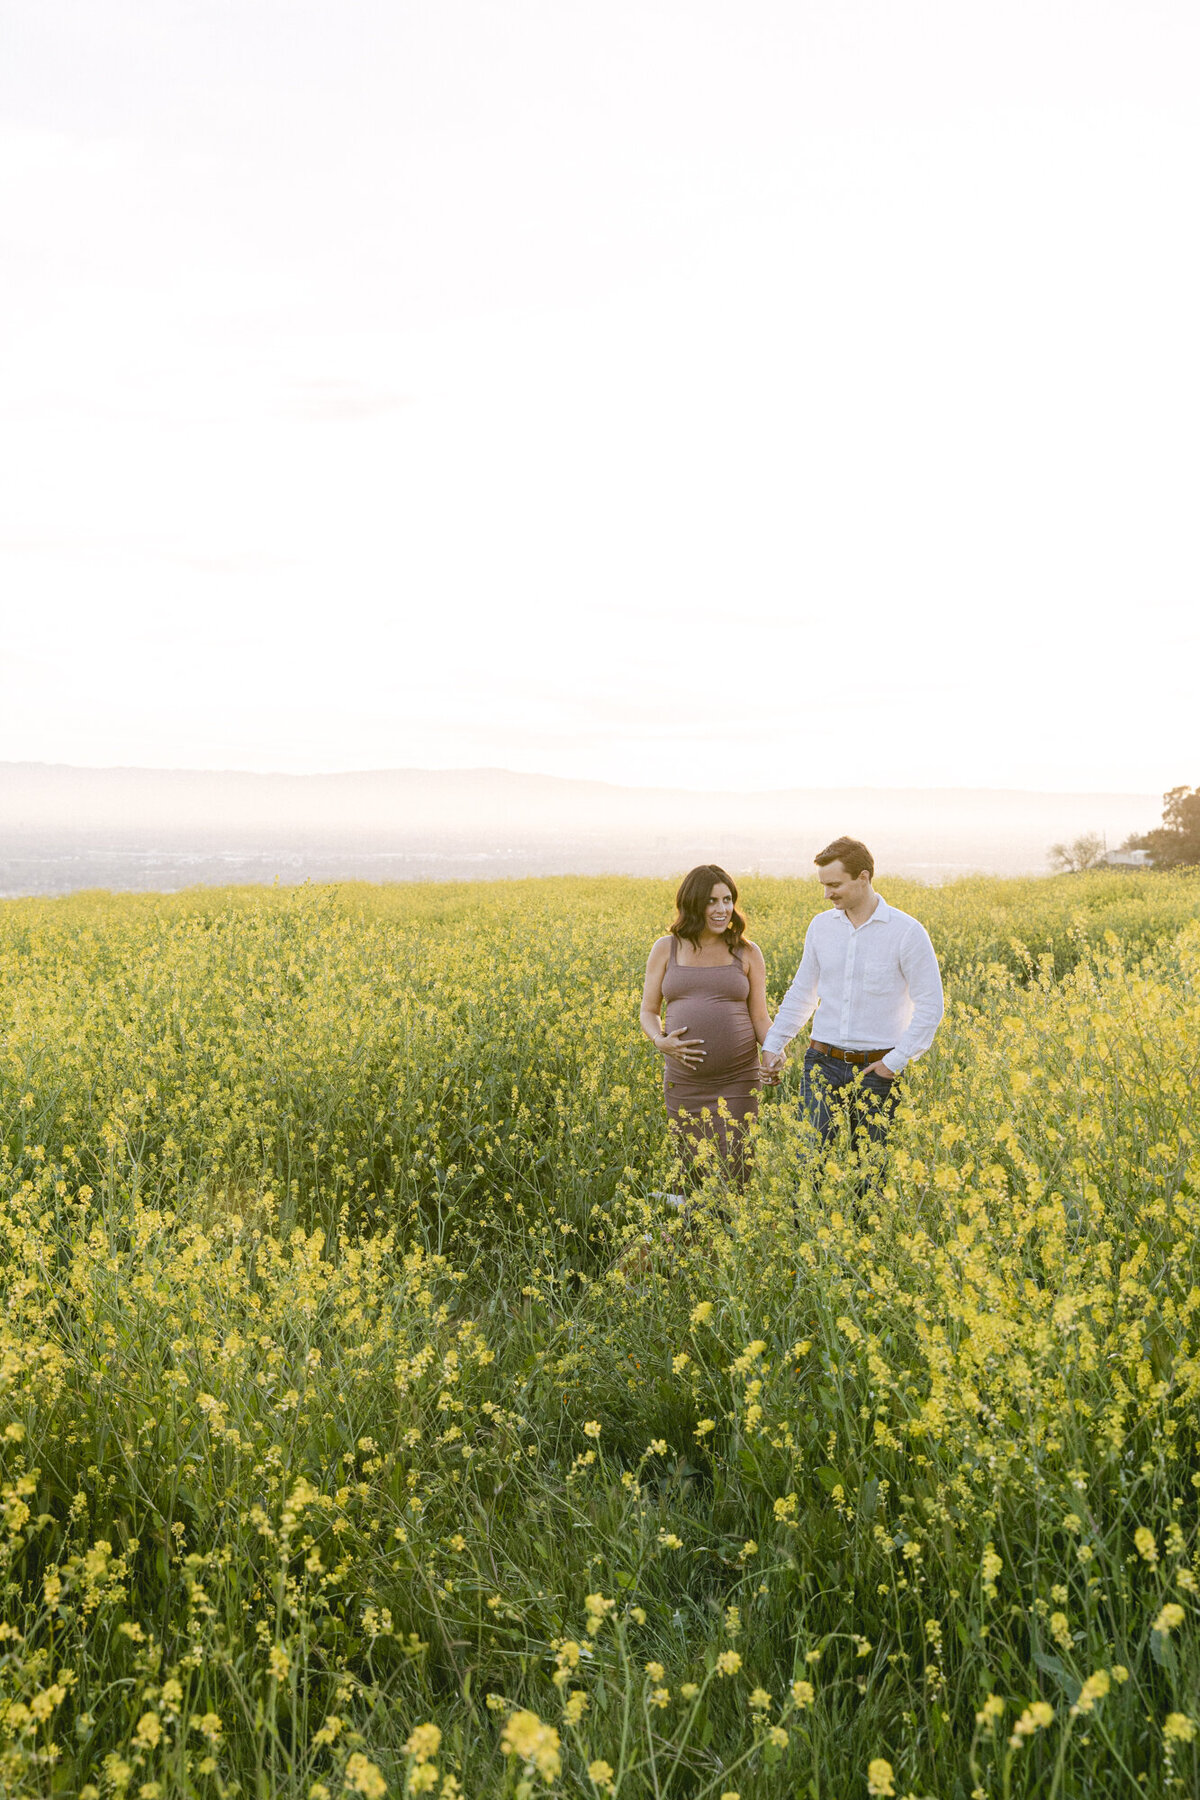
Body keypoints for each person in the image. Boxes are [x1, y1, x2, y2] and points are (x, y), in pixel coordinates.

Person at [760, 837, 943, 1157]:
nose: (827, 893)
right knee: (810, 1164)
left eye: (834, 884)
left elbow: (931, 1006)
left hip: (878, 1068)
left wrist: (895, 1062)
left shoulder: (906, 932)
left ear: (864, 877)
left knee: (871, 1173)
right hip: (821, 1063)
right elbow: (803, 992)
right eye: (823, 885)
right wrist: (774, 1044)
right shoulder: (820, 927)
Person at [640, 865, 774, 1187]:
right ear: (693, 903)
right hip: (685, 1081)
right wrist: (660, 1040)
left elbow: (759, 1017)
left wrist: (773, 1053)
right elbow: (648, 1010)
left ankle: (732, 1233)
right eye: (712, 901)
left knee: (738, 1171)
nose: (722, 909)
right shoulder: (665, 948)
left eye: (728, 900)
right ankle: (695, 1235)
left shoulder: (747, 951)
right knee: (692, 1172)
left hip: (739, 1079)